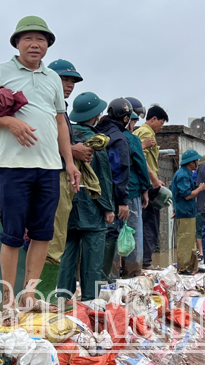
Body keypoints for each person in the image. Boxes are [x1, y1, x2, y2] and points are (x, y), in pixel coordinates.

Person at [0, 16, 81, 309]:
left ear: (47, 45)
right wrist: (9, 122)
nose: (34, 44)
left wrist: (69, 162)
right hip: (14, 166)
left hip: (50, 167)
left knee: (42, 234)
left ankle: (30, 296)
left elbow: (60, 121)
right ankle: (8, 301)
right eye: (28, 39)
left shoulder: (52, 78)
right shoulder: (1, 72)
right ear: (17, 43)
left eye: (41, 39)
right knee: (12, 235)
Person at [56, 92, 115, 302]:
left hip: (67, 203)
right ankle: (90, 302)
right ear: (97, 115)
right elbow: (102, 179)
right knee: (92, 260)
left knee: (67, 257)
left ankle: (62, 302)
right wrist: (108, 208)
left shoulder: (65, 137)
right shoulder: (95, 142)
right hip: (92, 207)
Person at [43, 59, 95, 292]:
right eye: (65, 79)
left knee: (59, 236)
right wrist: (73, 150)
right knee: (50, 237)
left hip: (63, 177)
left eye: (72, 80)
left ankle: (48, 295)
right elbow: (40, 141)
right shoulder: (43, 106)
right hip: (50, 176)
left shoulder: (61, 109)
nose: (70, 84)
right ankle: (44, 295)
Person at [95, 99, 134, 279]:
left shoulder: (96, 132)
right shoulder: (119, 139)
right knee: (110, 232)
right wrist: (122, 201)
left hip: (91, 191)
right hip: (110, 194)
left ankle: (90, 277)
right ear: (125, 117)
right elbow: (120, 170)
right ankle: (104, 276)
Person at [134, 105, 169, 268]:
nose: (161, 128)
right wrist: (154, 180)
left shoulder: (137, 133)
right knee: (150, 224)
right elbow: (141, 159)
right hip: (147, 185)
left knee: (140, 223)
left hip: (140, 185)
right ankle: (146, 261)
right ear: (153, 119)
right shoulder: (147, 133)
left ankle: (139, 260)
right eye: (161, 123)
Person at [120, 98, 151, 276]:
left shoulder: (103, 136)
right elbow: (141, 165)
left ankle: (113, 270)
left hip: (110, 195)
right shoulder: (132, 140)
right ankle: (132, 270)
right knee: (133, 232)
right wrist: (145, 189)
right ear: (129, 120)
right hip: (131, 192)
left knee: (114, 234)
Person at [171, 150, 205, 274]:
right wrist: (200, 189)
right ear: (191, 162)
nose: (197, 163)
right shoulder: (183, 175)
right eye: (196, 161)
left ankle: (193, 266)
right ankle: (183, 267)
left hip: (188, 211)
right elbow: (187, 195)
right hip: (185, 212)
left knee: (191, 241)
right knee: (185, 241)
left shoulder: (185, 173)